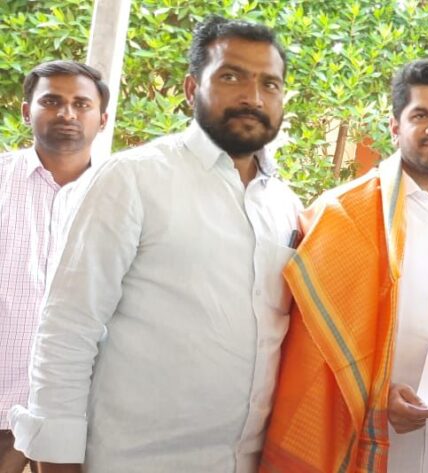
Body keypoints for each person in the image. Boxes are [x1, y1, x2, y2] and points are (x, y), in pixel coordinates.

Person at [8, 16, 301, 472]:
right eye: (231, 77)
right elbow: (67, 329)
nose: (253, 97)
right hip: (131, 459)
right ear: (191, 88)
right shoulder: (133, 179)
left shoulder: (284, 205)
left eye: (270, 84)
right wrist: (57, 462)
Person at [259, 59, 428, 473]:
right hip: (363, 445)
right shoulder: (342, 215)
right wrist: (375, 397)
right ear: (395, 126)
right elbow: (311, 350)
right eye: (421, 115)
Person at [0, 60, 109, 473]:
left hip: (80, 409)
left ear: (102, 118)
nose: (67, 113)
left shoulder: (122, 195)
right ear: (27, 111)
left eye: (81, 104)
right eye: (51, 101)